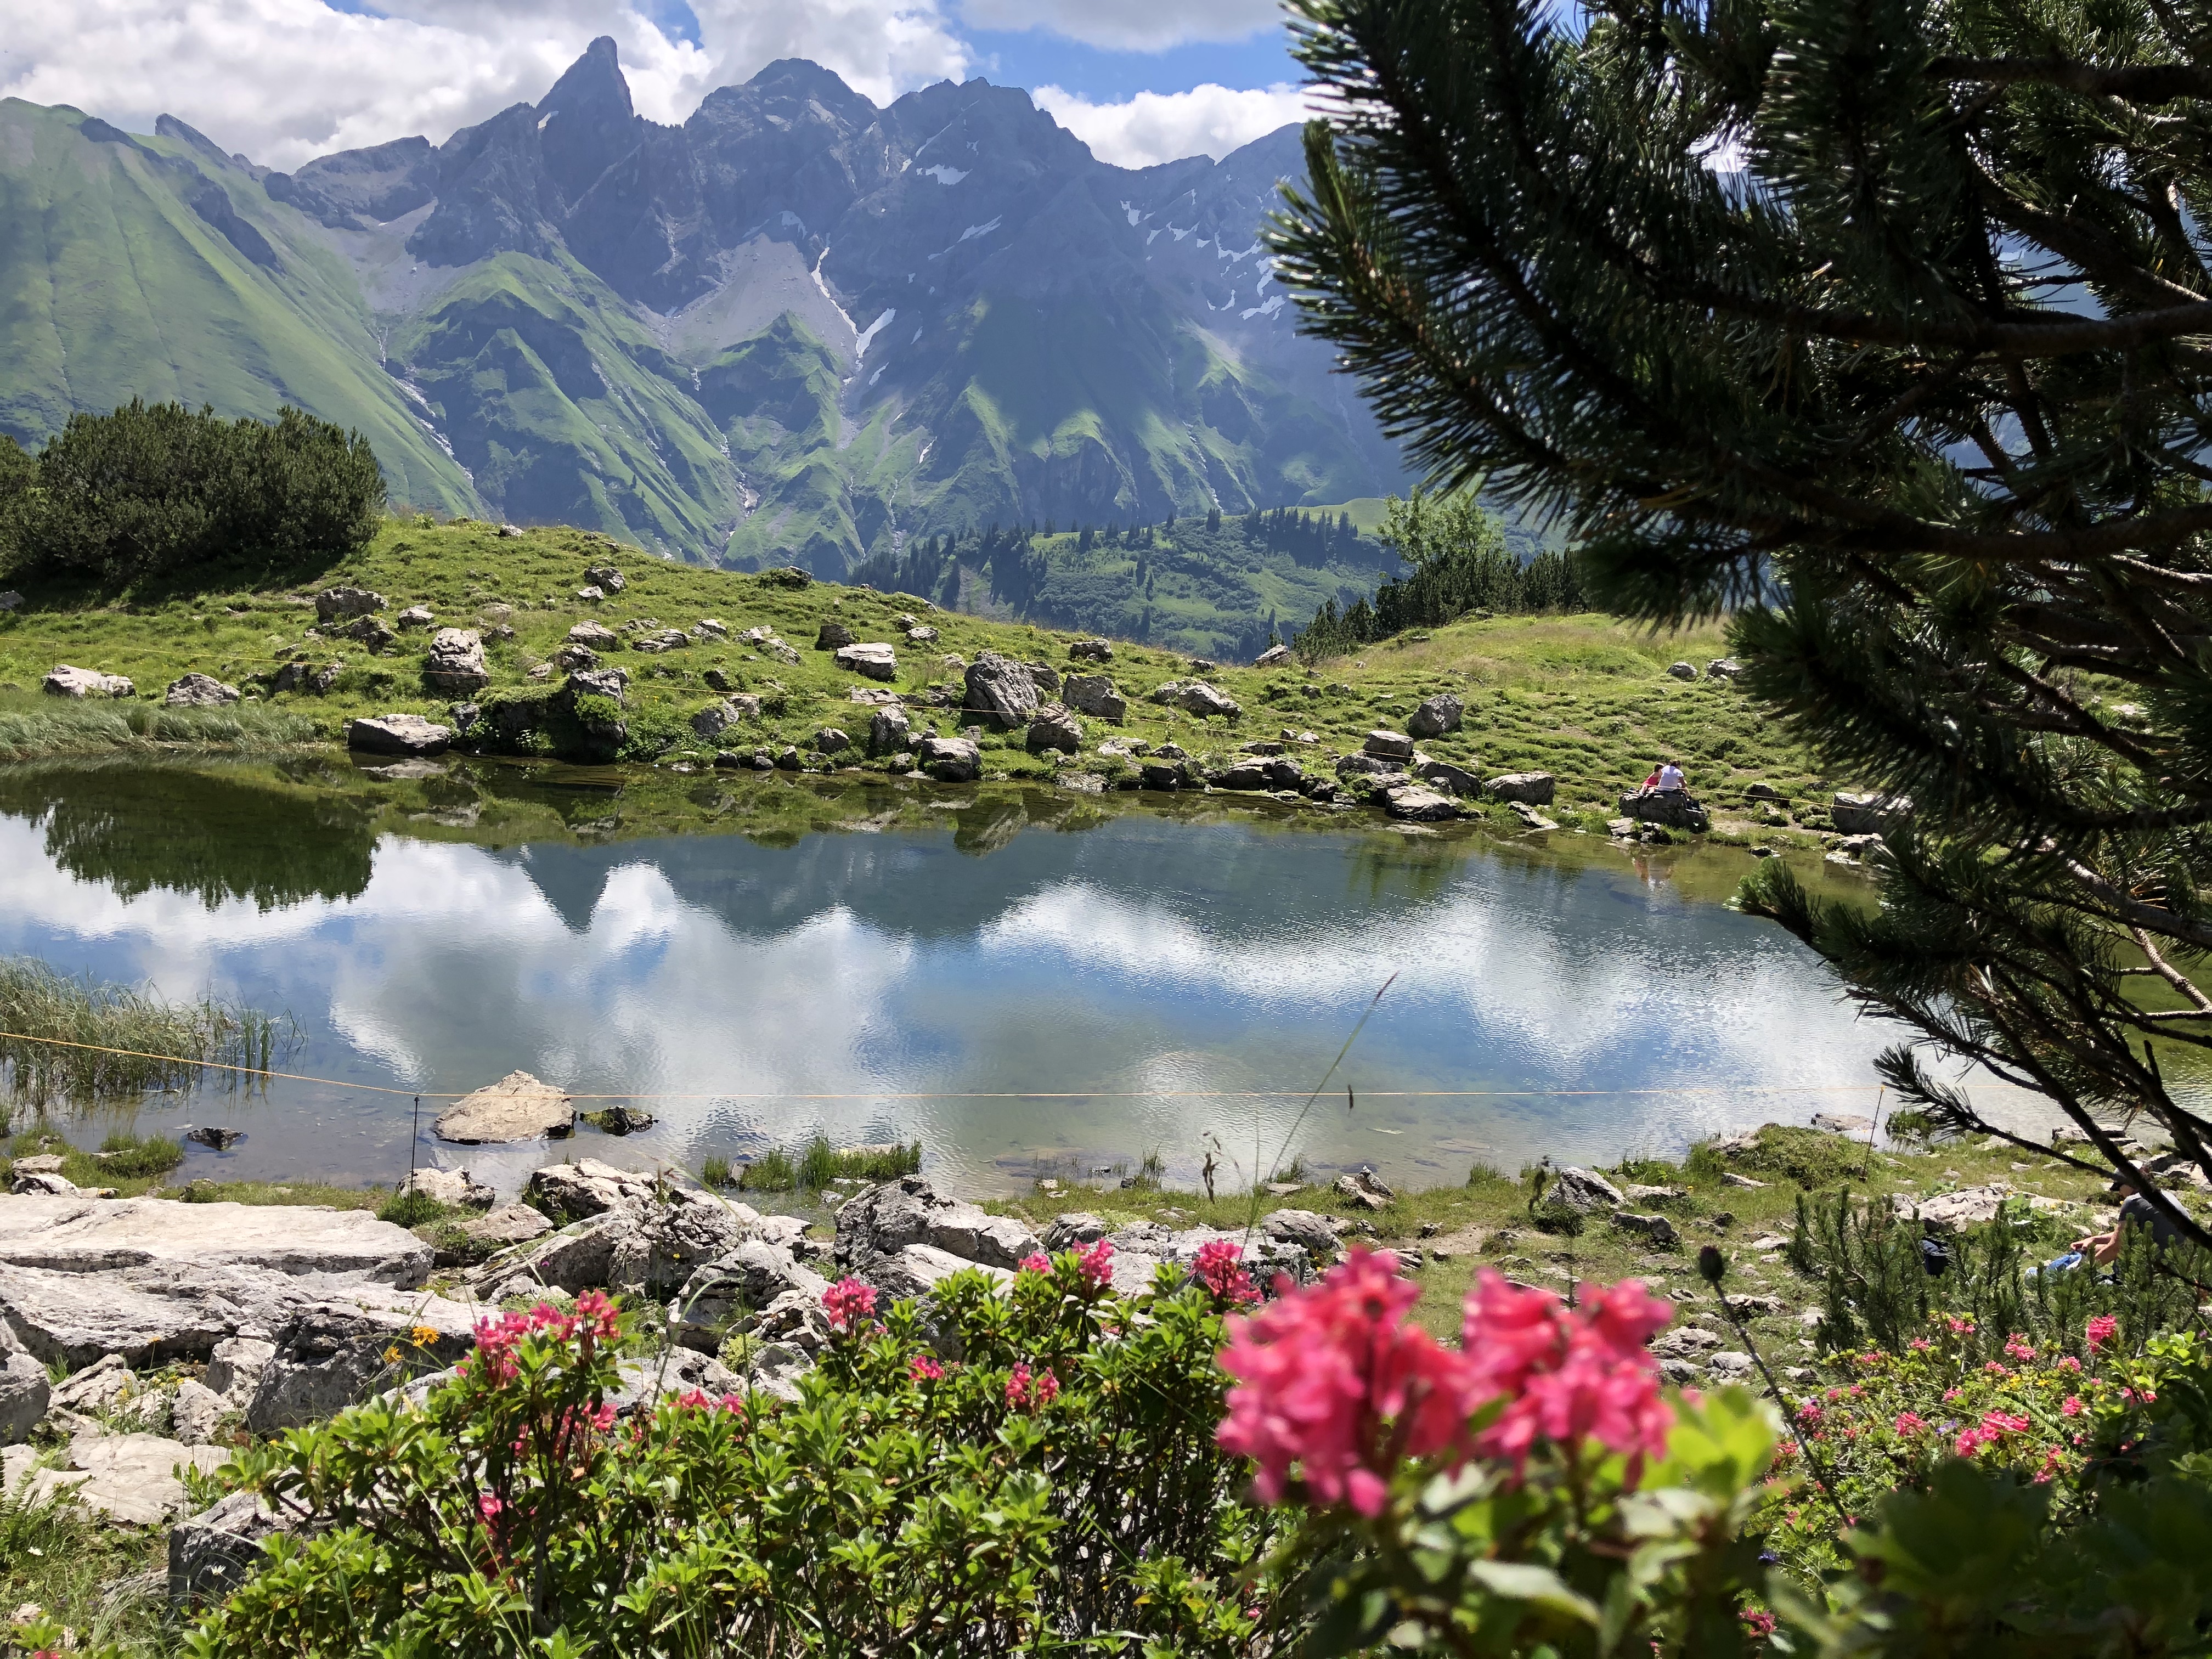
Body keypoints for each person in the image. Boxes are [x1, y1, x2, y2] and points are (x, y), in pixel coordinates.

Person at [2072, 1179, 2183, 1264]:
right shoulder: (2165, 1195)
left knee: (2118, 1255)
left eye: (2119, 1187)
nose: (2119, 1193)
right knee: (2095, 1249)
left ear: (2128, 1182)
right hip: (2180, 1264)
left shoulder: (2134, 1201)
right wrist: (2094, 1239)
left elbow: (2116, 1248)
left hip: (2158, 1269)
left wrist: (2083, 1273)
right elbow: (2123, 1236)